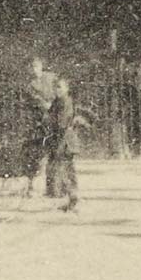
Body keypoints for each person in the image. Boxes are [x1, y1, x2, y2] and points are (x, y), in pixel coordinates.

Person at [47, 75, 86, 211]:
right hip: (59, 139)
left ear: (66, 89)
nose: (56, 90)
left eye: (59, 87)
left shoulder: (65, 102)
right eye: (55, 87)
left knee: (64, 170)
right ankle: (71, 199)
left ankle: (72, 198)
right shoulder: (57, 101)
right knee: (65, 170)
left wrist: (50, 121)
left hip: (65, 140)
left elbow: (62, 123)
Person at [27, 56, 60, 197]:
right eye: (32, 67)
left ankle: (56, 187)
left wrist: (53, 105)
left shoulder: (51, 77)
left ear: (41, 66)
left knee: (56, 155)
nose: (35, 70)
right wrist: (43, 104)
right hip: (41, 122)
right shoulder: (31, 85)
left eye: (37, 66)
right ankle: (38, 187)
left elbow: (59, 91)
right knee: (40, 156)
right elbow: (34, 100)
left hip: (55, 118)